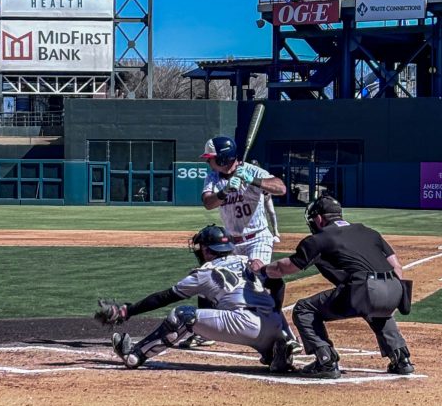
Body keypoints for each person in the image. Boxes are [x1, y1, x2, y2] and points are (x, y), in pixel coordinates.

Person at [94, 225, 295, 373]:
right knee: (223, 306)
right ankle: (274, 353)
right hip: (275, 325)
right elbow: (278, 284)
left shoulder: (205, 272)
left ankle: (134, 355)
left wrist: (127, 311)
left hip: (244, 324)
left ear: (208, 250)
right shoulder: (249, 261)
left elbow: (164, 297)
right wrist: (276, 311)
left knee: (182, 315)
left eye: (201, 247)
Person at [264, 195, 415, 380]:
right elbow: (396, 267)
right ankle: (402, 358)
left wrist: (263, 269)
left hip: (366, 287)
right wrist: (387, 295)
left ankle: (325, 360)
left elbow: (283, 268)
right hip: (396, 288)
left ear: (319, 218)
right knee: (375, 309)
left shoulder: (319, 239)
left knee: (304, 309)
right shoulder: (369, 232)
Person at [195, 135, 300, 353]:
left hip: (257, 238)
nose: (208, 162)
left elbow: (281, 188)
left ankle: (284, 334)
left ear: (223, 158)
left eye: (211, 158)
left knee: (257, 278)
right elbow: (207, 203)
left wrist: (253, 180)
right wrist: (224, 192)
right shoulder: (213, 176)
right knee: (210, 276)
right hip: (231, 243)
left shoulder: (252, 171)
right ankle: (202, 333)